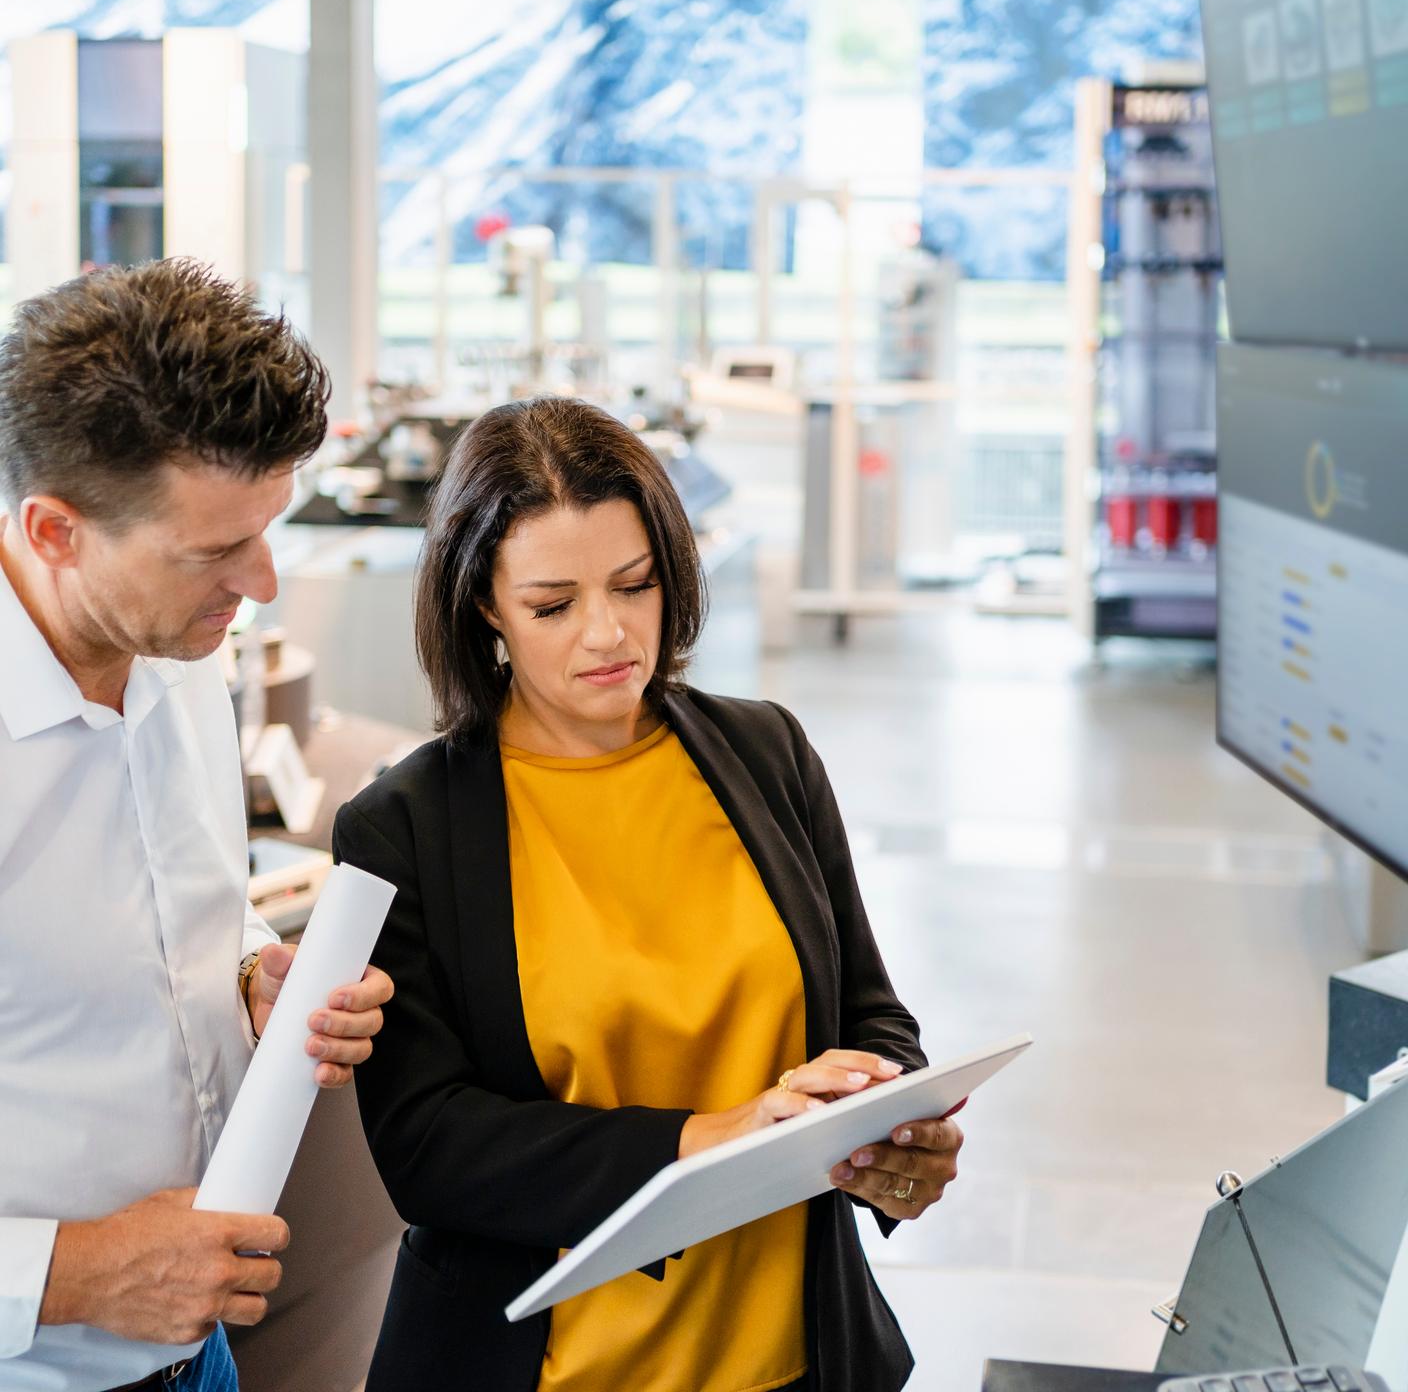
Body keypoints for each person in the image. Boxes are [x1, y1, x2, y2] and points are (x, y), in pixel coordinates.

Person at [334, 396, 964, 1392]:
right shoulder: (404, 826)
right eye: (553, 603)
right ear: (484, 605)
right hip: (548, 1368)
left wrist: (890, 1124)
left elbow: (866, 1010)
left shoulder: (764, 753)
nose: (609, 632)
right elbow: (429, 1145)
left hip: (796, 1356)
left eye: (635, 584)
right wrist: (704, 1140)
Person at [0, 259, 395, 1392]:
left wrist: (243, 992)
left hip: (193, 1355)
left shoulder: (177, 657)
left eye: (265, 530)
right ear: (56, 530)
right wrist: (72, 1274)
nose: (261, 582)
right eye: (216, 551)